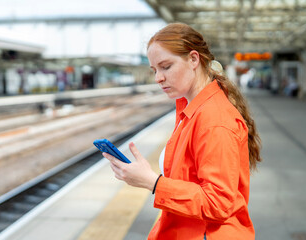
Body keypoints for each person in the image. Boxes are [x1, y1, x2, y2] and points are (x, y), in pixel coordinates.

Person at [102, 23, 262, 240]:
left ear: (194, 59)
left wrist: (153, 182)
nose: (158, 77)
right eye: (154, 70)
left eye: (166, 66)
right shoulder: (191, 110)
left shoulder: (214, 120)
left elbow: (218, 203)